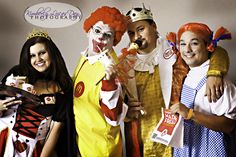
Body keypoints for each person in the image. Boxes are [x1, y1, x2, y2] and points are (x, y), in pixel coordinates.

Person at [124, 4, 230, 157]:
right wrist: (126, 109)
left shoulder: (175, 50)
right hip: (142, 139)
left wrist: (215, 72)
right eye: (131, 33)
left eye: (141, 29)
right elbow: (112, 104)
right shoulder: (123, 63)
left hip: (178, 139)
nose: (136, 37)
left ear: (153, 26)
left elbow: (214, 49)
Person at [0, 29, 77, 157]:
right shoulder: (17, 73)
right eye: (32, 55)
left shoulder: (63, 86)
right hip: (4, 140)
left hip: (34, 150)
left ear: (51, 53)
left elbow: (55, 130)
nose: (38, 59)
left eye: (42, 53)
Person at [169, 22, 236, 157]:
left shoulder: (218, 82)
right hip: (187, 146)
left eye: (194, 43)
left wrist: (190, 114)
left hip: (210, 149)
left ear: (208, 46)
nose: (187, 49)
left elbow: (230, 125)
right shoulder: (186, 74)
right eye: (182, 44)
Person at [72, 6, 128, 156]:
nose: (100, 38)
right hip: (82, 143)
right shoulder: (87, 56)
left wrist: (109, 82)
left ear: (113, 41)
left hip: (101, 150)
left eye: (107, 35)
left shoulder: (112, 68)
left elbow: (114, 117)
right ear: (88, 31)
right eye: (97, 31)